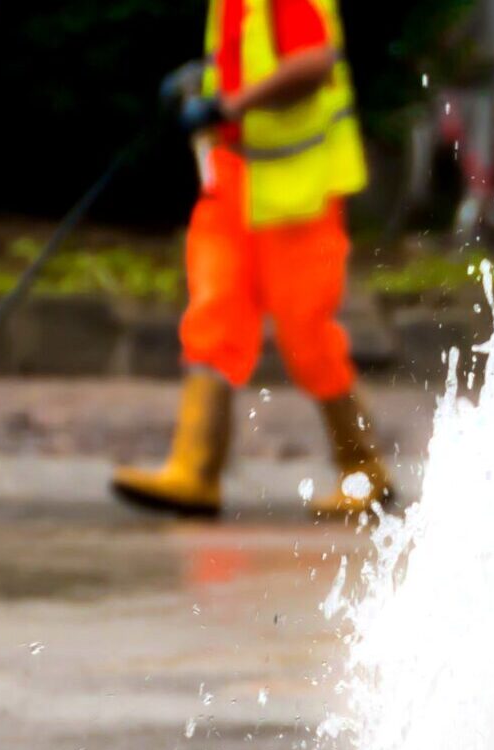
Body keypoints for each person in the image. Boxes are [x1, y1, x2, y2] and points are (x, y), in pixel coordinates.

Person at [113, 0, 394, 520]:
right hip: (233, 184)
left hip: (296, 196)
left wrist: (230, 105)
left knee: (306, 334)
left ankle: (365, 471)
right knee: (213, 318)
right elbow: (253, 56)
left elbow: (313, 64)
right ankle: (194, 471)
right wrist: (209, 79)